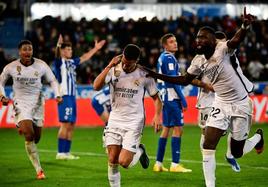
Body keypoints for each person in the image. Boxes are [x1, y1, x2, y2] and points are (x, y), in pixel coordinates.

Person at [141, 8, 264, 187]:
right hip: (220, 103)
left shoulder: (223, 49)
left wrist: (245, 26)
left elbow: (236, 40)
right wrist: (156, 75)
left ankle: (257, 138)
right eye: (197, 37)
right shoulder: (198, 60)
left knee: (237, 152)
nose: (199, 40)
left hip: (240, 103)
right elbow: (184, 79)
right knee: (208, 144)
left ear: (213, 40)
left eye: (203, 37)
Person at [93, 44, 162, 187]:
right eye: (123, 61)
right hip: (115, 119)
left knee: (124, 162)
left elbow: (156, 98)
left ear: (136, 61)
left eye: (129, 64)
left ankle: (140, 150)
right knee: (112, 160)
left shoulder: (145, 75)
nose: (125, 65)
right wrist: (109, 66)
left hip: (134, 122)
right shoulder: (113, 69)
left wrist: (157, 115)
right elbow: (96, 86)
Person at [0, 40, 62, 180]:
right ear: (19, 52)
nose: (27, 52)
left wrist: (58, 94)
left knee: (36, 138)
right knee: (29, 134)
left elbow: (52, 80)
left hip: (38, 102)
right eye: (25, 49)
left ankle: (24, 125)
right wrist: (2, 96)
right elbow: (1, 81)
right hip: (21, 101)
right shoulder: (11, 67)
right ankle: (39, 170)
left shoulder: (41, 65)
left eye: (30, 49)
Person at [53, 34, 105, 160]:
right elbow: (56, 55)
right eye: (67, 49)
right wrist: (58, 46)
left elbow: (85, 57)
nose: (70, 51)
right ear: (63, 51)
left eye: (71, 49)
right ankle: (60, 152)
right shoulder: (60, 62)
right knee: (65, 124)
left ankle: (66, 152)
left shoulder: (71, 62)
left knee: (71, 124)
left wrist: (96, 49)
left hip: (72, 96)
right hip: (64, 96)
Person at [153, 33, 191, 173]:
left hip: (165, 98)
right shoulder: (169, 58)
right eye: (171, 42)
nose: (175, 43)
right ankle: (175, 164)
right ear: (165, 45)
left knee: (166, 130)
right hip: (172, 98)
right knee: (178, 129)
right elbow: (172, 80)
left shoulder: (162, 57)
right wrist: (183, 98)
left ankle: (158, 163)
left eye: (175, 41)